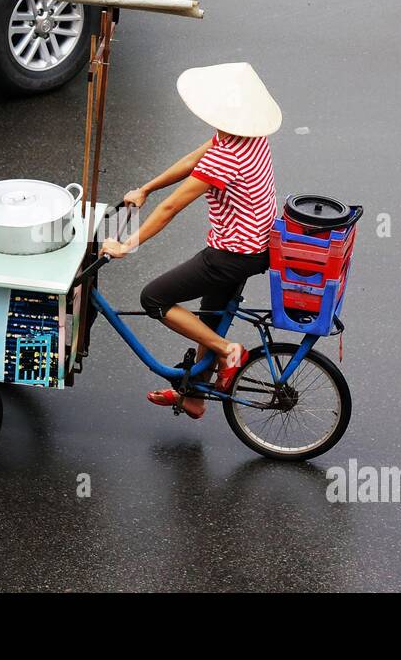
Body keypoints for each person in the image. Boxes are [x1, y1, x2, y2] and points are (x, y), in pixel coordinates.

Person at [100, 62, 281, 420]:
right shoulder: (245, 137)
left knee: (154, 298)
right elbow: (190, 161)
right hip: (259, 246)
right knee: (209, 318)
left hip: (231, 255)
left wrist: (127, 245)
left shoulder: (225, 157)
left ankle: (230, 351)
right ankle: (195, 396)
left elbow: (172, 208)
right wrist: (147, 188)